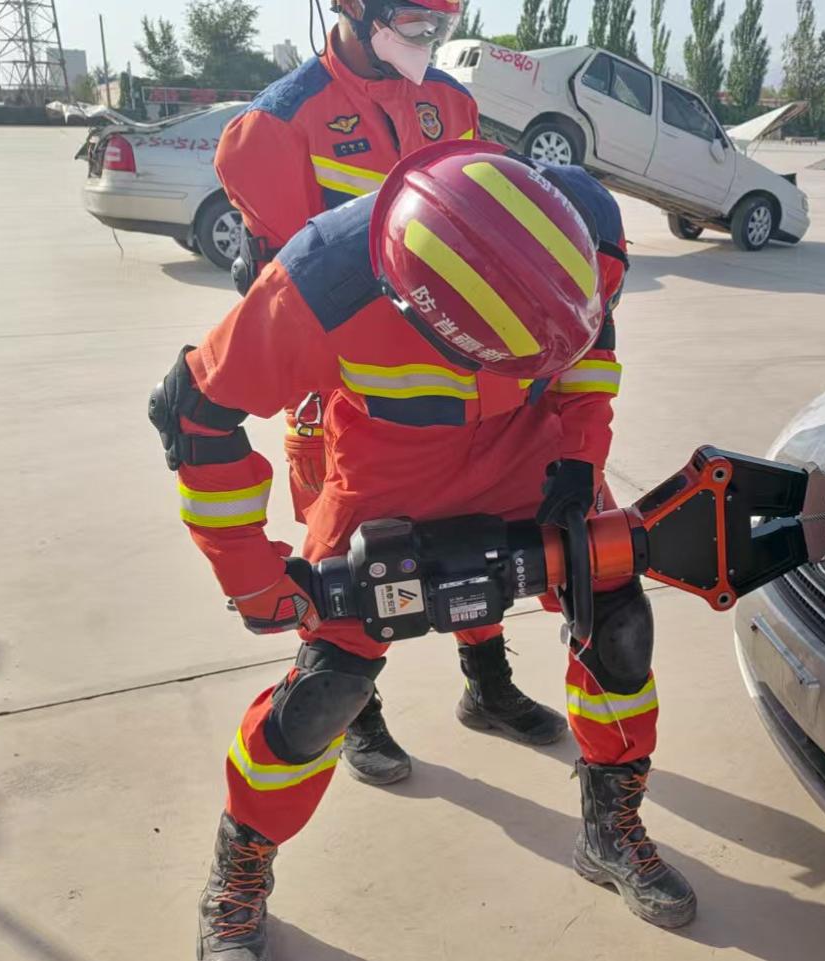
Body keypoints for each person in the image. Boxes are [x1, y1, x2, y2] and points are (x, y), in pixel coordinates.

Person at [150, 142, 695, 960]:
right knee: (323, 694)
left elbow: (590, 346)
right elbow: (195, 412)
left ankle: (609, 828)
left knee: (616, 621)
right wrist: (253, 576)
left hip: (530, 462)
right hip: (387, 486)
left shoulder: (576, 231)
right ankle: (240, 872)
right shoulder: (325, 278)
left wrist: (580, 454)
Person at [213, 0, 566, 786]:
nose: (431, 39)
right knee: (351, 557)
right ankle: (358, 713)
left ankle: (488, 686)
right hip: (347, 386)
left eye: (443, 22)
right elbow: (293, 287)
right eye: (415, 19)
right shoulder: (277, 126)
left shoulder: (451, 102)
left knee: (477, 535)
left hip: (458, 362)